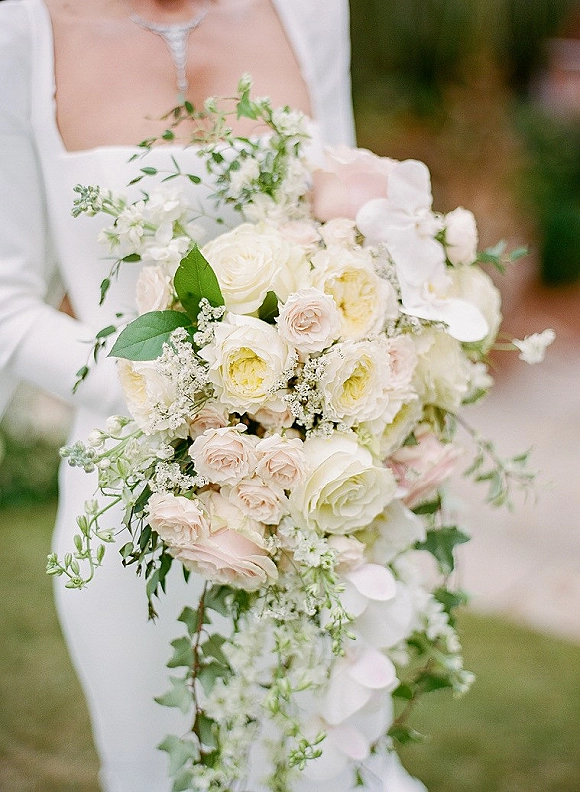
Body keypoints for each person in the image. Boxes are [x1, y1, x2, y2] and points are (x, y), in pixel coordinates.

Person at [0, 1, 426, 789]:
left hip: (308, 493)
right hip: (133, 506)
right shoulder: (22, 30)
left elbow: (342, 217)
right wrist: (187, 399)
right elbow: (8, 306)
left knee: (330, 760)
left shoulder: (309, 14)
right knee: (163, 768)